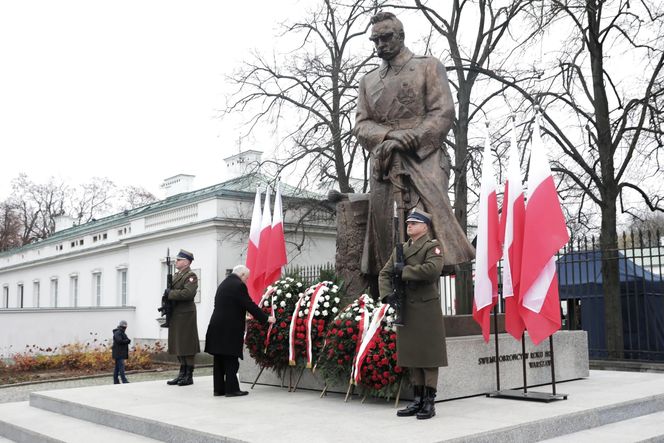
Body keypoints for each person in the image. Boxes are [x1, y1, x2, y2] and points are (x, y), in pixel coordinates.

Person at [354, 11, 474, 276]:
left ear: (401, 36)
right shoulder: (368, 81)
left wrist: (413, 137)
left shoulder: (428, 66)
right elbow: (361, 124)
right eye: (375, 40)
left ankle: (424, 293)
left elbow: (443, 112)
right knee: (387, 232)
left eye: (385, 38)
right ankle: (389, 296)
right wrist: (389, 137)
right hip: (386, 162)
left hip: (423, 158)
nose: (380, 45)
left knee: (423, 228)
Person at [379, 209, 446, 420]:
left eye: (415, 223)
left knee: (428, 356)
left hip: (426, 309)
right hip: (406, 307)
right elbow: (384, 273)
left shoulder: (432, 247)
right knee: (413, 356)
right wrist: (387, 295)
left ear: (425, 227)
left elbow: (431, 271)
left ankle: (429, 402)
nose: (410, 226)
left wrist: (404, 271)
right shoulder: (401, 249)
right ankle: (417, 401)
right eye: (408, 223)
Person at [204, 265, 276, 397]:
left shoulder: (224, 284)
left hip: (216, 325)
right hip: (229, 328)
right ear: (242, 275)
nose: (246, 281)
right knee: (231, 358)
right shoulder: (238, 285)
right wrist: (266, 318)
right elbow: (249, 304)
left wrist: (242, 315)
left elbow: (228, 305)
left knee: (219, 359)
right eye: (247, 278)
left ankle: (219, 389)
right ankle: (232, 389)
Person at [165, 249, 200, 386]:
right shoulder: (177, 275)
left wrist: (170, 293)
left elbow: (188, 293)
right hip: (176, 313)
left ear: (186, 262)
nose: (176, 262)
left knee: (187, 344)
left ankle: (188, 375)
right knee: (178, 344)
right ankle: (182, 373)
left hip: (186, 314)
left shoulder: (191, 276)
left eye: (179, 260)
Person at [112, 320, 131, 384]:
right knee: (121, 367)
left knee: (117, 368)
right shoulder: (118, 332)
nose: (125, 328)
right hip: (119, 353)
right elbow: (119, 341)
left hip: (119, 353)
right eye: (124, 327)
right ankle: (124, 380)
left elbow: (124, 340)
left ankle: (116, 381)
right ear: (121, 326)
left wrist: (127, 340)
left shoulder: (122, 332)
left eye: (125, 327)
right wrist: (127, 341)